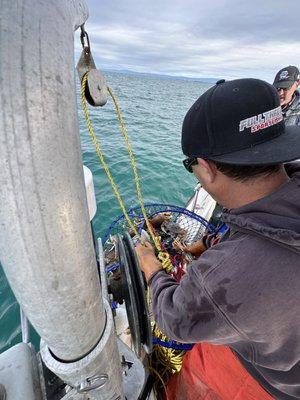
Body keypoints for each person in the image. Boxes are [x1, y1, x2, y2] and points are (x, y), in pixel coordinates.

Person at [136, 78, 300, 400]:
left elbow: (174, 319)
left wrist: (151, 268)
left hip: (267, 383)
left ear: (207, 168)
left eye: (190, 166)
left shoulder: (221, 277)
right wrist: (211, 245)